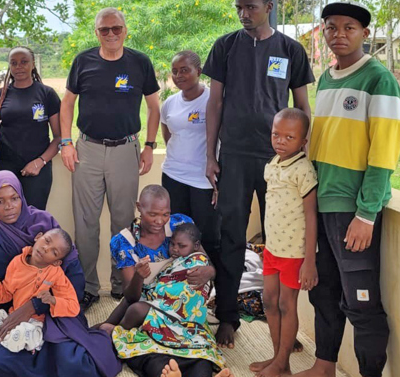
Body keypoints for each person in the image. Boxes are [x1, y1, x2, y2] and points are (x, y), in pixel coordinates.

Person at [203, 0, 315, 347]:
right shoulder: (226, 47)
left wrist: (303, 157)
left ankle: (283, 329)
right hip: (234, 157)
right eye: (238, 7)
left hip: (279, 163)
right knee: (231, 236)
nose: (243, 14)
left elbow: (301, 107)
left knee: (280, 241)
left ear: (269, 6)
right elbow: (214, 103)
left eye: (250, 6)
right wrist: (211, 156)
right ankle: (228, 317)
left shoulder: (290, 50)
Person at [296, 2, 400, 377]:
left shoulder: (378, 79)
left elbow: (385, 154)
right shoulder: (326, 78)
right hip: (322, 204)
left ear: (365, 34)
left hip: (352, 210)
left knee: (361, 302)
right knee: (323, 294)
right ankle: (324, 366)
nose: (338, 34)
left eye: (349, 28)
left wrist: (366, 213)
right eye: (331, 27)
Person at [0, 171, 121, 377]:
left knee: (73, 362)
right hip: (9, 317)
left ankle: (95, 337)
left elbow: (75, 281)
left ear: (22, 196)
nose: (9, 206)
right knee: (0, 363)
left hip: (53, 313)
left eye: (14, 198)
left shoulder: (44, 224)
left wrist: (37, 305)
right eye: (0, 201)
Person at [60, 7, 161, 309]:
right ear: (97, 33)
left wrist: (150, 145)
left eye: (116, 28)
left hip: (126, 150)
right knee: (85, 223)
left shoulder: (140, 62)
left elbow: (154, 108)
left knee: (124, 223)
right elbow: (67, 104)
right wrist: (66, 142)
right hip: (87, 150)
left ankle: (122, 284)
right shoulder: (83, 62)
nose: (111, 34)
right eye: (105, 30)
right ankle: (88, 286)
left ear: (125, 30)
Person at [249, 108, 318, 377]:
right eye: (276, 134)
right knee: (269, 301)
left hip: (294, 253)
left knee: (287, 305)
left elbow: (311, 216)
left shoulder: (304, 170)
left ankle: (282, 362)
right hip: (272, 248)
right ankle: (280, 359)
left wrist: (309, 261)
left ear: (303, 142)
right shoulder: (272, 165)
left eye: (289, 137)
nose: (280, 141)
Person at [110, 224, 230, 377]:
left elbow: (182, 293)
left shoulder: (198, 262)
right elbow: (160, 285)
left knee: (200, 358)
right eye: (172, 244)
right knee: (159, 358)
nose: (175, 249)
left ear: (196, 246)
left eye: (181, 246)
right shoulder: (170, 263)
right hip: (165, 323)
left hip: (187, 323)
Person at [103, 185, 214, 325]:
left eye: (165, 214)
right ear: (139, 207)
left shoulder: (178, 225)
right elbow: (131, 297)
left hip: (179, 299)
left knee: (115, 326)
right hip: (144, 298)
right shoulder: (125, 242)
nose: (160, 221)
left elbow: (202, 258)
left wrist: (210, 271)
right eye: (153, 214)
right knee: (109, 325)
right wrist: (139, 275)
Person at [0, 228, 79, 353]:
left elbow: (73, 306)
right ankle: (7, 334)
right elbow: (5, 294)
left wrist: (53, 300)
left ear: (56, 262)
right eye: (47, 241)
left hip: (33, 323)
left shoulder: (56, 273)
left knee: (21, 336)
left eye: (54, 252)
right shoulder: (17, 262)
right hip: (11, 316)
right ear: (38, 237)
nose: (45, 248)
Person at [0, 46, 61, 209]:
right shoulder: (0, 95)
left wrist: (40, 162)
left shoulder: (47, 94)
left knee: (34, 219)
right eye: (14, 63)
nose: (19, 67)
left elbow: (59, 137)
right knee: (6, 218)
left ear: (33, 65)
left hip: (37, 170)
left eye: (24, 62)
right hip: (5, 169)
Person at [160, 51, 218, 258]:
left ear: (199, 71)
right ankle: (180, 284)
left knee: (206, 236)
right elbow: (168, 134)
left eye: (185, 70)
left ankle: (208, 283)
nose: (179, 76)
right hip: (173, 176)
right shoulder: (169, 103)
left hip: (203, 180)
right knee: (176, 236)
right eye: (174, 72)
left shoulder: (213, 99)